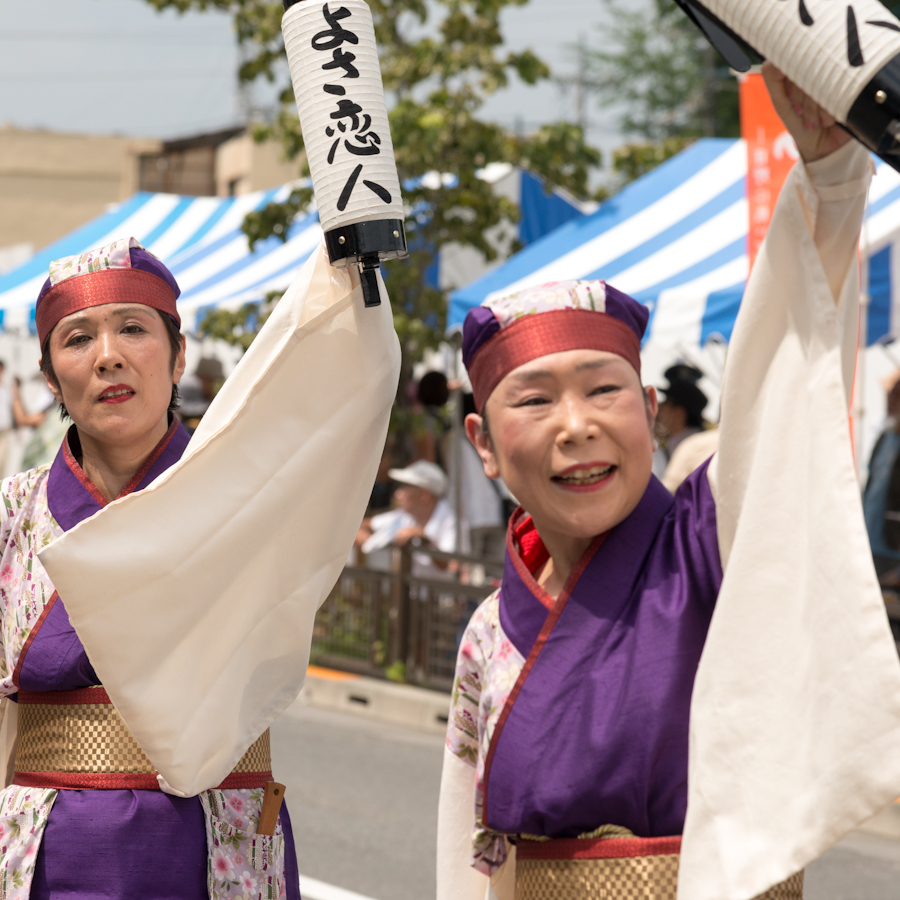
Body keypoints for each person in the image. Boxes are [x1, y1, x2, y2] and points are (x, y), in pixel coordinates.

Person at [436, 66, 900, 900]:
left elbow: (784, 381)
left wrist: (829, 180)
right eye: (534, 399)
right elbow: (468, 857)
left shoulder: (715, 542)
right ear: (485, 445)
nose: (576, 423)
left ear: (650, 411)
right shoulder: (486, 633)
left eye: (604, 389)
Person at [0, 237, 299, 898]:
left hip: (218, 846)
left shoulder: (250, 494)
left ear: (178, 353)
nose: (108, 356)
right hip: (46, 857)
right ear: (49, 377)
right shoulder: (14, 512)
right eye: (77, 339)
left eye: (133, 328)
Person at [356, 459, 457, 579]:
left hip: (441, 596)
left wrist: (423, 537)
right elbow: (364, 524)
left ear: (424, 494)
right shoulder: (404, 515)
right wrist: (363, 534)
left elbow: (450, 564)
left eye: (405, 486)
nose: (398, 493)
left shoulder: (450, 520)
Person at [864, 374, 900, 581]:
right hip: (871, 540)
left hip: (893, 546)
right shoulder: (884, 437)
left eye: (897, 395)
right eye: (891, 394)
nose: (891, 400)